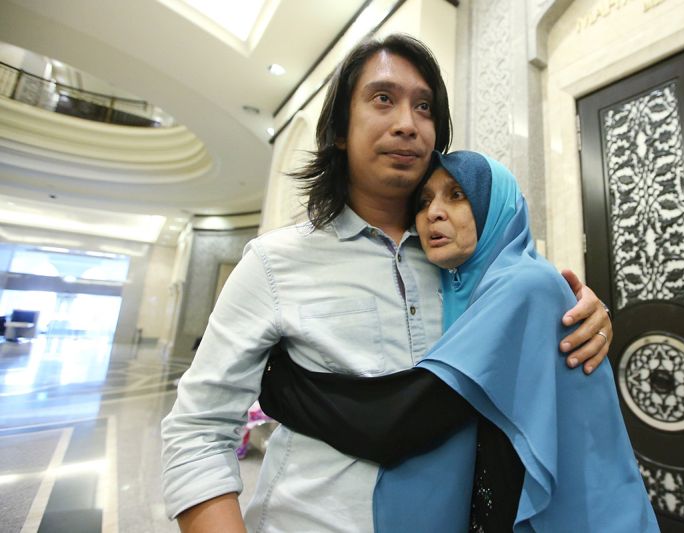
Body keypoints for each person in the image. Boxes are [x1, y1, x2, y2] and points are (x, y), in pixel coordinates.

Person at [161, 34, 613, 532]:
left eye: (424, 107)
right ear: (339, 130)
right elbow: (198, 430)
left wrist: (581, 317)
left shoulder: (466, 264)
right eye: (383, 99)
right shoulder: (275, 262)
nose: (407, 124)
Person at [260, 151, 658, 532]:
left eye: (456, 195)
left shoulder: (526, 285)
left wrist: (276, 382)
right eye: (424, 200)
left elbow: (397, 420)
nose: (433, 212)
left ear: (495, 207)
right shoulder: (475, 290)